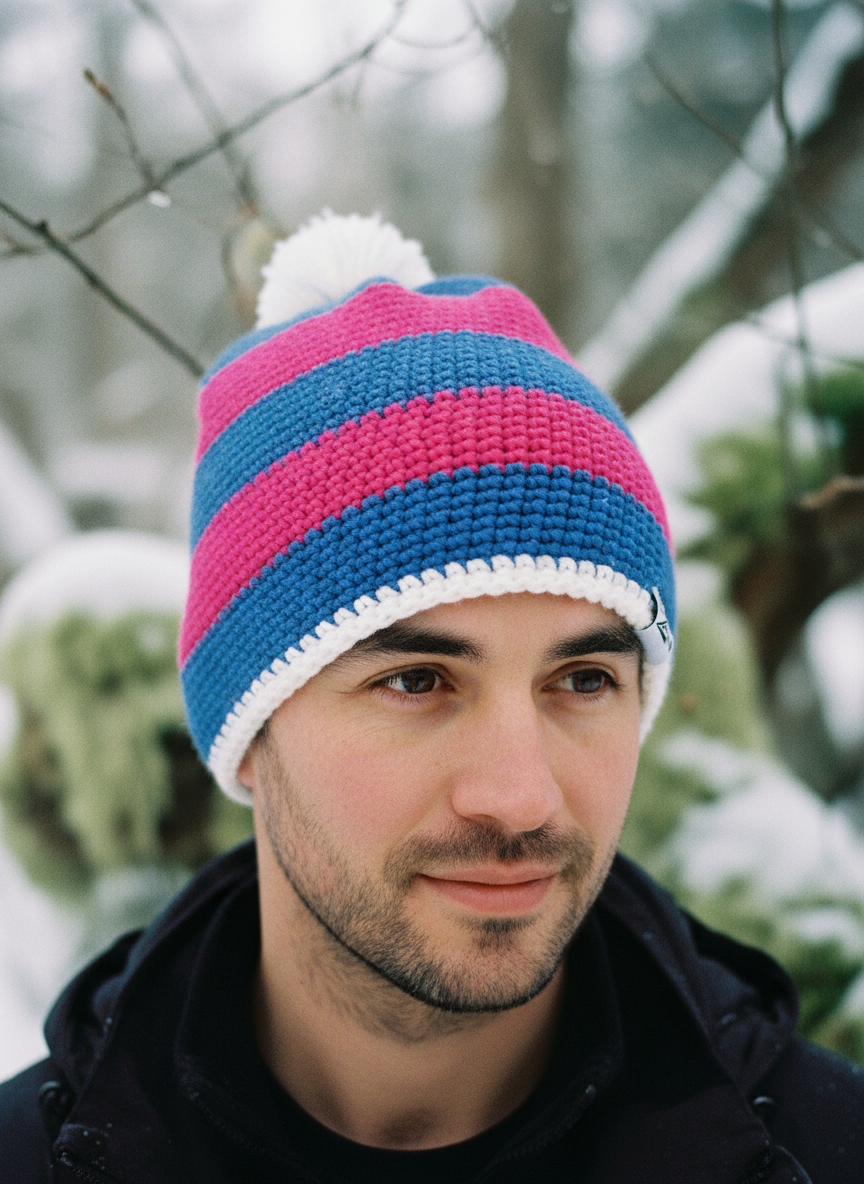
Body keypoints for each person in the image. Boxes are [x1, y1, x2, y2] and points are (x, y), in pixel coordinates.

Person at [1, 211, 862, 1184]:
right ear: (248, 733)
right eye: (416, 680)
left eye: (582, 680)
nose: (520, 794)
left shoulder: (822, 1149)